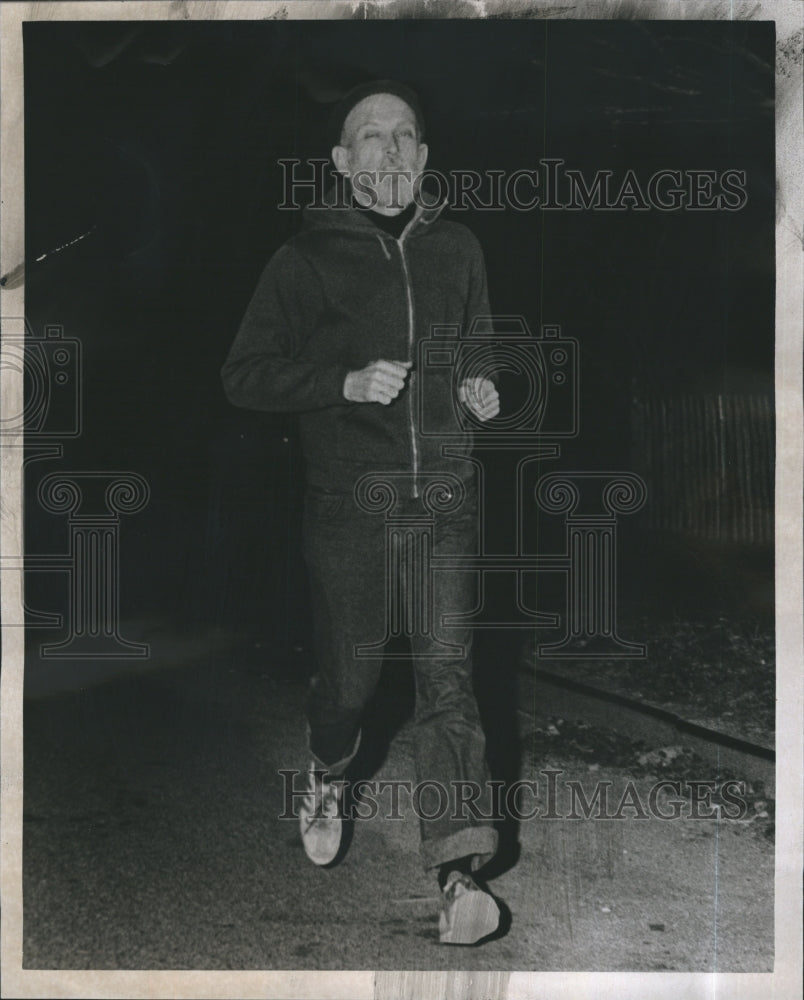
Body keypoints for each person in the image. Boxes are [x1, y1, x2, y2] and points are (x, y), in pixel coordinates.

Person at [222, 79, 503, 945]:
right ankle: (329, 765)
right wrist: (340, 382)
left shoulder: (459, 248)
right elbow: (244, 375)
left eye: (406, 134)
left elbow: (486, 346)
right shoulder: (303, 262)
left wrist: (488, 385)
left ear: (424, 157)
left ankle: (460, 876)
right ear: (342, 164)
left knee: (449, 684)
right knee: (351, 682)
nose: (390, 149)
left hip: (446, 497)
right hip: (349, 503)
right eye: (371, 136)